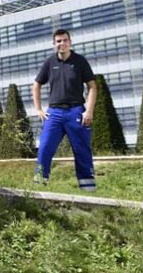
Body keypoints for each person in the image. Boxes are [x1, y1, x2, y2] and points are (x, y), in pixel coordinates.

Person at [33, 28, 97, 191]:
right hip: (53, 113)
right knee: (45, 147)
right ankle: (39, 185)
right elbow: (36, 84)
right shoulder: (50, 62)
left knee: (82, 150)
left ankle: (88, 188)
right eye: (59, 41)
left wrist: (88, 111)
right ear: (54, 44)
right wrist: (39, 109)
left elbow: (92, 87)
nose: (62, 44)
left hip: (76, 111)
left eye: (65, 40)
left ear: (70, 42)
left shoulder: (80, 61)